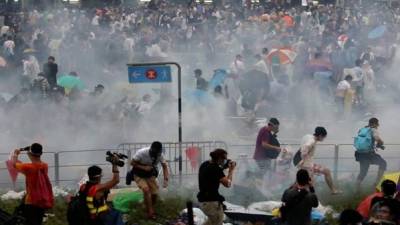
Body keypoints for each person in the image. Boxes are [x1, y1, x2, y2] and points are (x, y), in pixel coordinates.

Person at [12, 143, 54, 225]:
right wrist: (29, 151)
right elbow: (36, 161)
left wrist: (15, 154)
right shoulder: (44, 166)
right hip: (41, 201)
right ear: (41, 153)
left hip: (31, 202)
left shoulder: (28, 167)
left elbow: (14, 164)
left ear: (30, 153)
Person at [130, 141, 169, 219]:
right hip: (138, 174)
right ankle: (151, 213)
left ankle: (148, 206)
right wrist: (143, 167)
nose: (156, 155)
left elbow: (164, 166)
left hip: (150, 175)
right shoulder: (142, 153)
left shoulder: (160, 155)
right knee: (146, 190)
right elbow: (132, 163)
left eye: (157, 153)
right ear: (151, 150)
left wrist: (166, 180)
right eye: (154, 153)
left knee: (154, 193)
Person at [197, 149, 236, 225]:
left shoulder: (205, 164)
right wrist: (231, 170)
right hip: (212, 203)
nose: (225, 161)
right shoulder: (215, 169)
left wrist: (224, 166)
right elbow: (227, 184)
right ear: (219, 159)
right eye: (224, 159)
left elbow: (215, 173)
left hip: (203, 201)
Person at [298, 127, 341, 194]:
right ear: (320, 135)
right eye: (323, 137)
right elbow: (304, 149)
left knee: (327, 171)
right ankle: (309, 199)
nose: (323, 139)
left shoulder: (310, 137)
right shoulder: (312, 141)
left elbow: (304, 143)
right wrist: (303, 161)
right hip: (307, 166)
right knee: (309, 184)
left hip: (309, 164)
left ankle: (333, 190)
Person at [355, 118, 387, 190]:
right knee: (383, 163)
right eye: (377, 124)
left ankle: (357, 189)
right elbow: (377, 138)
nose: (378, 126)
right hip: (369, 154)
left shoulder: (362, 129)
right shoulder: (373, 129)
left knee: (363, 171)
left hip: (360, 153)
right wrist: (381, 143)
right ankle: (377, 183)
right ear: (375, 123)